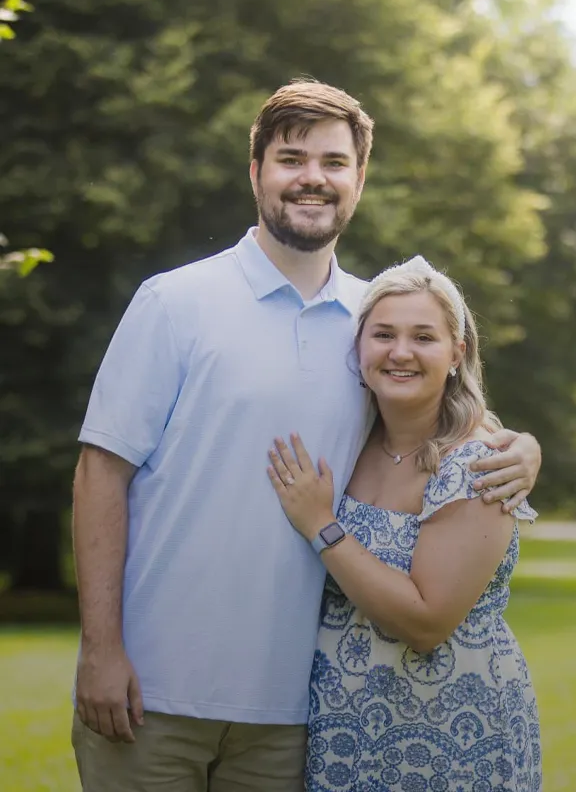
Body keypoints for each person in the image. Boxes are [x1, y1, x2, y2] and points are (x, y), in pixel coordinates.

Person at [70, 79, 542, 792]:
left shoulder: (372, 324)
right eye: (292, 159)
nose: (313, 178)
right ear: (257, 171)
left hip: (298, 712)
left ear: (359, 179)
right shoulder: (175, 302)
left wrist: (526, 450)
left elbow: (444, 430)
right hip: (152, 692)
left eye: (333, 161)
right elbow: (99, 475)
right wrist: (102, 649)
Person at [267, 254, 541, 792]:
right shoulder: (348, 443)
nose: (400, 353)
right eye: (383, 334)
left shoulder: (477, 466)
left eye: (423, 337)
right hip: (345, 725)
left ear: (456, 353)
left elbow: (425, 622)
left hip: (453, 731)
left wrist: (322, 526)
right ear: (359, 346)